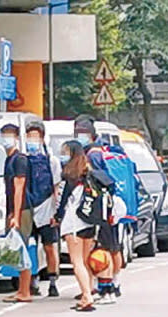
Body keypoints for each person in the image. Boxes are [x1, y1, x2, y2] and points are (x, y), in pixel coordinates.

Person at [75, 116, 124, 303]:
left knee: (103, 250)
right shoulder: (99, 151)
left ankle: (107, 289)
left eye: (83, 134)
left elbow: (98, 183)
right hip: (106, 208)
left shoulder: (93, 155)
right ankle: (110, 286)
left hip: (100, 209)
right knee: (109, 248)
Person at [52, 140, 96, 311]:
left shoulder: (69, 175)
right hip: (90, 221)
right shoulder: (89, 173)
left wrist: (57, 217)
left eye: (65, 152)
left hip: (74, 223)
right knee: (85, 261)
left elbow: (62, 202)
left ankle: (87, 295)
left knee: (76, 262)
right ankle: (89, 290)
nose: (62, 155)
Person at [25, 121, 62, 297]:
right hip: (29, 208)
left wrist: (56, 212)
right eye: (29, 136)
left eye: (35, 137)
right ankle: (32, 281)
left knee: (49, 247)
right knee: (30, 246)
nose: (32, 140)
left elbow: (56, 187)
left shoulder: (51, 161)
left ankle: (53, 282)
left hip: (46, 208)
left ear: (42, 138)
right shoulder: (23, 160)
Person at [1, 124, 33, 303]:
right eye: (4, 135)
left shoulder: (20, 159)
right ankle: (21, 289)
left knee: (22, 248)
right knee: (16, 249)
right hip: (13, 209)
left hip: (22, 209)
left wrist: (16, 215)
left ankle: (25, 291)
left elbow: (19, 189)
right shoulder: (9, 159)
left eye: (9, 135)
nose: (5, 139)